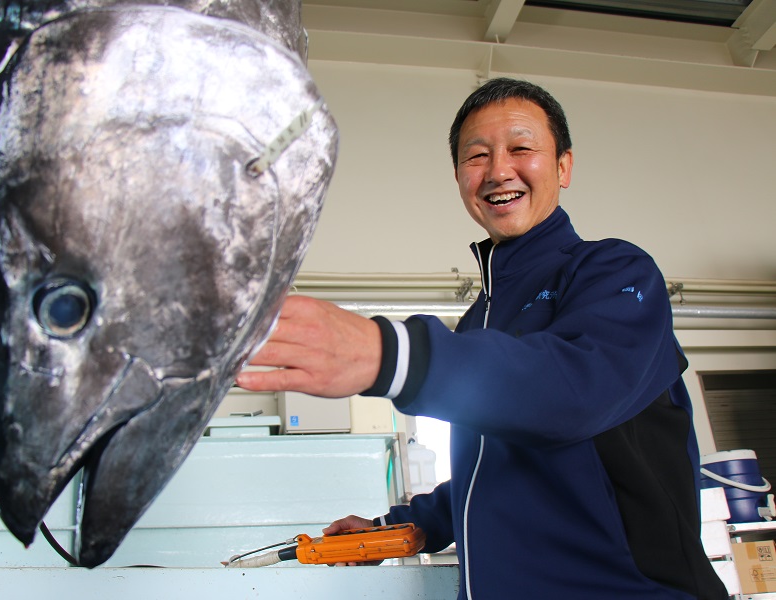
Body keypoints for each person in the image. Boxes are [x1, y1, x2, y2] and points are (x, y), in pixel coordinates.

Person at [235, 77, 727, 599]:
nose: (498, 171)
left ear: (563, 166)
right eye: (477, 156)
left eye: (521, 148)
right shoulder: (478, 321)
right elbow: (497, 465)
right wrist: (410, 524)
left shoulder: (615, 272)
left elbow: (573, 393)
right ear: (459, 177)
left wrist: (388, 353)